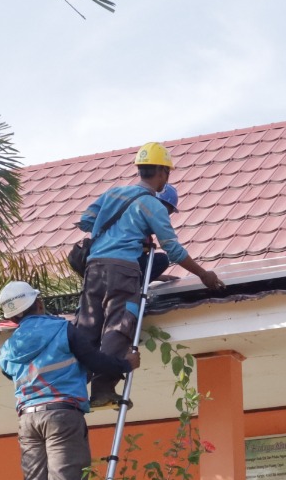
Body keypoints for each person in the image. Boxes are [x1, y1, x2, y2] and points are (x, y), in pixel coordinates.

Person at [0, 280, 140, 480]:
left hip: (27, 420)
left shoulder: (10, 345)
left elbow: (7, 369)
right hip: (62, 416)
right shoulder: (62, 329)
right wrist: (124, 364)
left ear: (13, 317)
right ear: (38, 304)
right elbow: (95, 360)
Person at [76, 142, 224, 406]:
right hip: (122, 271)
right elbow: (173, 250)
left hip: (93, 268)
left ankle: (72, 388)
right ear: (162, 173)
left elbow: (86, 221)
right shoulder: (152, 206)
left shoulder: (113, 194)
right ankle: (101, 390)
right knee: (118, 327)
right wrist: (203, 274)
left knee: (87, 329)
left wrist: (118, 231)